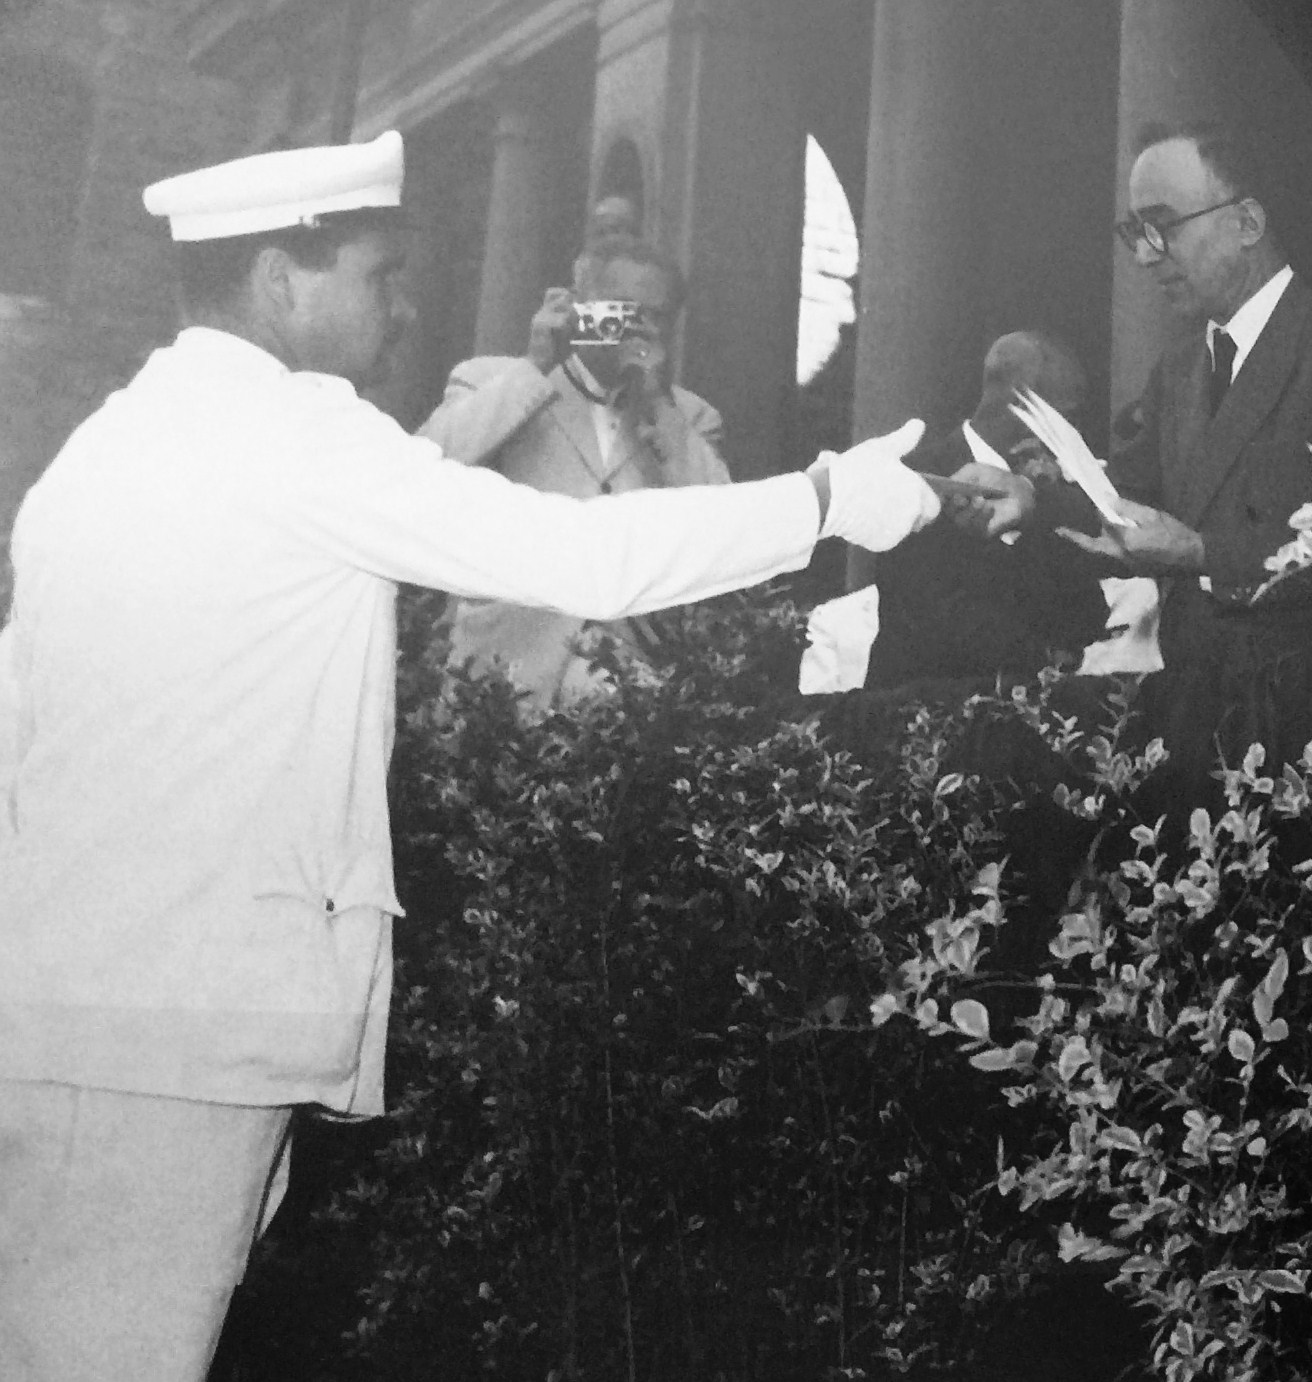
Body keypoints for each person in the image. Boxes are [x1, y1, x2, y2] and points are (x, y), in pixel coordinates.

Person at [0, 130, 940, 1382]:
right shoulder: (291, 435)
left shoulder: (107, 442)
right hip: (177, 1031)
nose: (403, 311)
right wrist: (824, 500)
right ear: (283, 281)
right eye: (382, 277)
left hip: (83, 1006)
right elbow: (581, 558)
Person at [980, 120, 1312, 820]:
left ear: (1248, 221)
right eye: (1137, 232)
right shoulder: (1182, 370)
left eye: (1165, 226)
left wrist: (1200, 552)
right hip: (1201, 725)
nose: (1148, 256)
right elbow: (1121, 496)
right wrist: (1030, 498)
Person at [421, 233, 732, 708]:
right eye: (623, 309)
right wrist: (535, 364)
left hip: (632, 679)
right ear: (577, 305)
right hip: (503, 668)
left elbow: (723, 532)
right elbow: (426, 466)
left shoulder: (689, 419)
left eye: (656, 317)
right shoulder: (494, 381)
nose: (637, 328)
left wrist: (659, 406)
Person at [862, 329, 1109, 690]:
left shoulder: (1049, 494)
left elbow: (1088, 608)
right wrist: (1046, 655)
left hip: (1032, 709)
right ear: (1024, 404)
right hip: (922, 707)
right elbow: (930, 614)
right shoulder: (916, 475)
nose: (1074, 432)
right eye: (1066, 415)